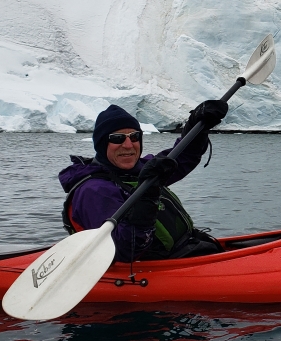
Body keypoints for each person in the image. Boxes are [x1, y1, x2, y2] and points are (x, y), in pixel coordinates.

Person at [59, 101, 227, 262]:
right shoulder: (94, 190)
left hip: (186, 251)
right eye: (117, 138)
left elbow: (182, 157)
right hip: (150, 268)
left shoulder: (140, 170)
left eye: (134, 137)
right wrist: (147, 198)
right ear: (102, 144)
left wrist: (197, 125)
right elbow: (123, 250)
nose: (128, 145)